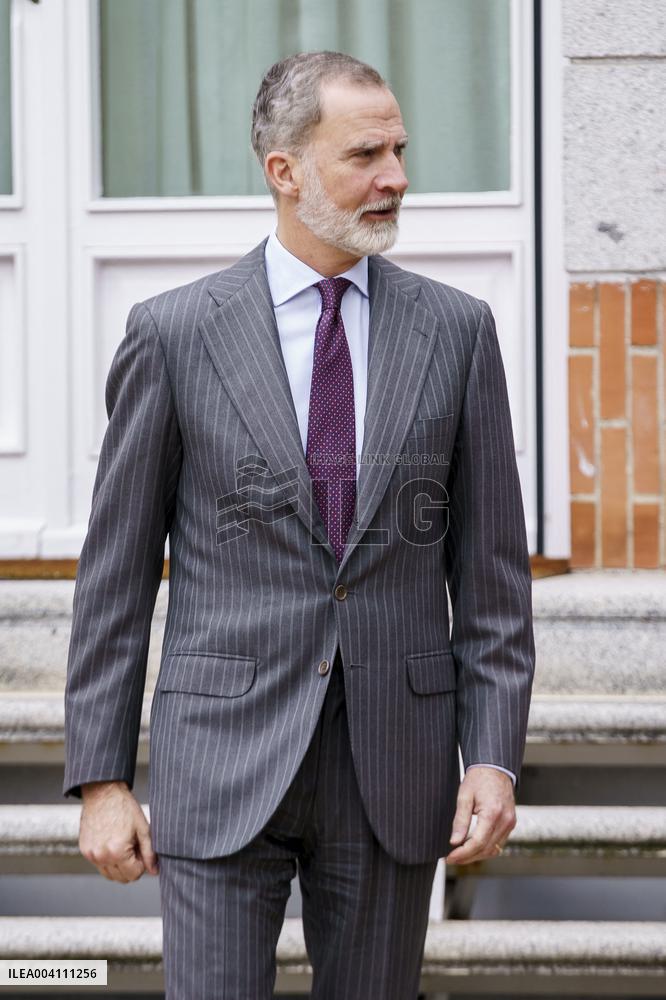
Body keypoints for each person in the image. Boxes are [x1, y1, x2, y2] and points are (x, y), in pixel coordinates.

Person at [63, 50, 535, 1000]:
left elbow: (489, 574)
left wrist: (492, 755)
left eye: (400, 148)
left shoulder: (458, 331)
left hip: (393, 767)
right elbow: (114, 574)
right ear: (285, 171)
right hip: (219, 757)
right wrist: (102, 778)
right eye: (365, 153)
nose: (396, 176)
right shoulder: (177, 333)